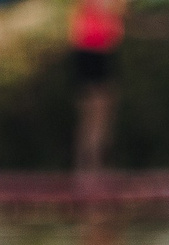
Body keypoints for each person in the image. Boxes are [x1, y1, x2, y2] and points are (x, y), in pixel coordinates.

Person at [68, 0, 127, 178]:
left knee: (102, 111)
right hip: (92, 49)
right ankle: (90, 168)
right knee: (95, 112)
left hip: (100, 49)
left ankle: (94, 166)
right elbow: (108, 8)